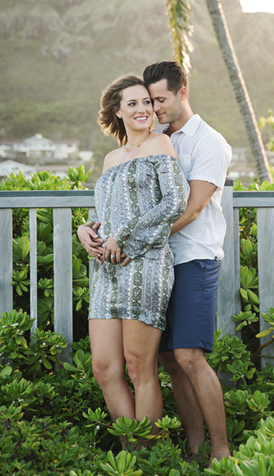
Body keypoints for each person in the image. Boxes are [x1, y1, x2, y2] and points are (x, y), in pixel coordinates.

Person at [76, 74, 188, 447]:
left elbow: (173, 203)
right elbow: (106, 213)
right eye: (134, 104)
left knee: (140, 367)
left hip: (145, 264)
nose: (144, 110)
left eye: (147, 102)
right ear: (117, 111)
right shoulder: (111, 157)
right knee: (105, 368)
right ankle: (133, 449)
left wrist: (122, 239)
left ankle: (148, 457)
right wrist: (86, 230)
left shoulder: (161, 145)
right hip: (105, 271)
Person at [143, 60, 233, 464]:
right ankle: (194, 447)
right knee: (166, 357)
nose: (155, 107)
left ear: (182, 92)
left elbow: (195, 209)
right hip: (159, 263)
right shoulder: (158, 139)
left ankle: (222, 451)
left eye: (160, 98)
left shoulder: (209, 142)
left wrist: (138, 240)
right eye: (150, 100)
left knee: (189, 356)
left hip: (195, 258)